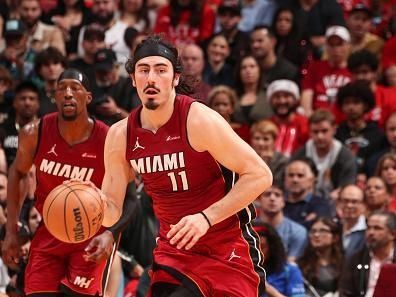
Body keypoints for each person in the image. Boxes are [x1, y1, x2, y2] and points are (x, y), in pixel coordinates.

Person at [100, 35, 273, 296]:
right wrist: (87, 204)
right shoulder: (120, 135)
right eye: (143, 70)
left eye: (161, 70)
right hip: (175, 252)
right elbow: (111, 211)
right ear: (133, 79)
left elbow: (260, 175)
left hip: (227, 248)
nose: (151, 78)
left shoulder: (198, 119)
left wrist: (206, 218)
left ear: (176, 78)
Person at [1, 69, 133, 296]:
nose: (68, 94)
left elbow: (132, 196)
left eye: (75, 88)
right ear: (54, 96)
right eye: (62, 89)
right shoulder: (35, 133)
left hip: (92, 236)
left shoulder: (108, 139)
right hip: (50, 230)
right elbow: (17, 174)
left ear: (88, 97)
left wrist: (110, 233)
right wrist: (12, 230)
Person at [339, 210, 396, 297]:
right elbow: (346, 292)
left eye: (377, 228)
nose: (371, 233)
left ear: (393, 234)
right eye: (368, 228)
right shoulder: (356, 259)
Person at [253, 222, 305, 297]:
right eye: (252, 248)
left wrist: (267, 288)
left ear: (272, 247)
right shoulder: (239, 272)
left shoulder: (290, 270)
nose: (257, 252)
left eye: (262, 247)